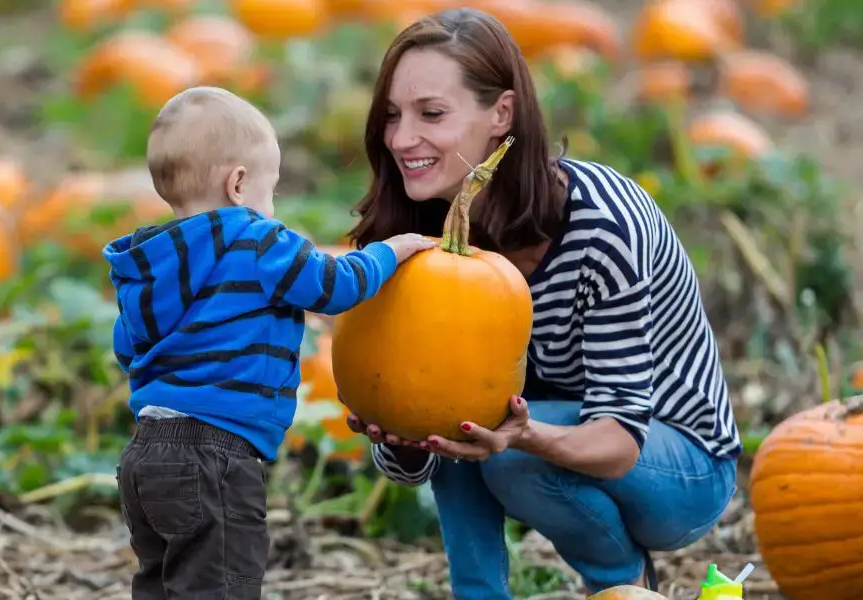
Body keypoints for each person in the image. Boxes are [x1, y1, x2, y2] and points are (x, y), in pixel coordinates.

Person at [338, 8, 742, 599]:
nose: (401, 138)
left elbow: (618, 436)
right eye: (393, 116)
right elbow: (424, 459)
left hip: (676, 463)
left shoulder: (604, 225)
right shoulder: (417, 238)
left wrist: (521, 438)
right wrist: (398, 433)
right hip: (541, 438)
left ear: (501, 113)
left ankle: (622, 588)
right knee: (466, 425)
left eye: (431, 114)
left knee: (497, 443)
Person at [102, 85, 435, 599]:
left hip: (146, 457)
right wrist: (388, 253)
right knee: (222, 586)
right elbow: (332, 286)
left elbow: (128, 348)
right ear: (238, 184)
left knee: (162, 584)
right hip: (215, 453)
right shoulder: (255, 238)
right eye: (270, 189)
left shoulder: (149, 263)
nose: (271, 204)